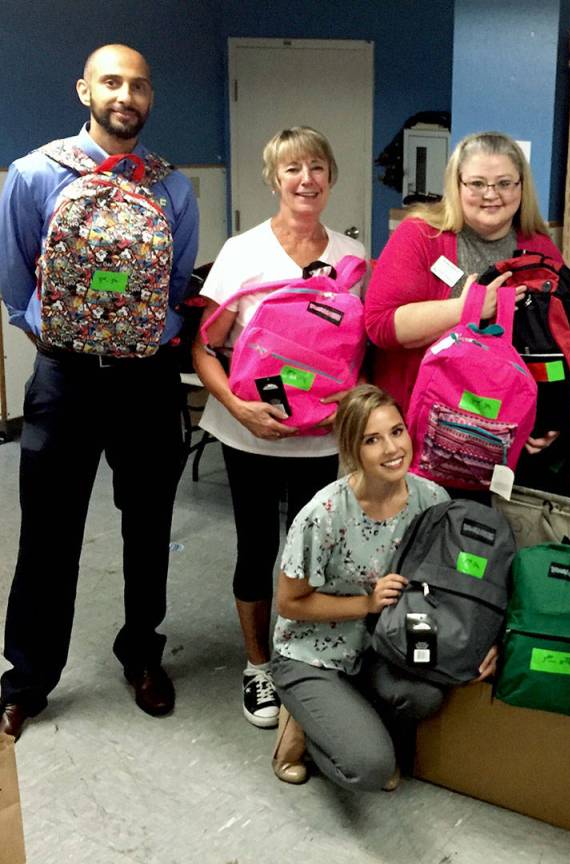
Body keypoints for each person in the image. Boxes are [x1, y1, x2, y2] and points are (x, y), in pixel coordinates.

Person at [0, 44, 199, 739]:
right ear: (83, 87)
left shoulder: (172, 187)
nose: (127, 95)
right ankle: (26, 678)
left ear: (149, 98)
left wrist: (138, 336)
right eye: (112, 81)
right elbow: (15, 284)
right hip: (65, 380)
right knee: (48, 534)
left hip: (146, 382)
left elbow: (177, 290)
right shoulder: (33, 175)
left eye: (139, 85)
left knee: (148, 529)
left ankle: (141, 654)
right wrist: (60, 342)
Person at [193, 126, 366, 729]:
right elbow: (204, 348)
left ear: (331, 178)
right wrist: (239, 410)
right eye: (292, 169)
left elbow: (356, 350)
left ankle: (306, 660)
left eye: (317, 167)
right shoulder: (243, 251)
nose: (306, 180)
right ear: (274, 179)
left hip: (322, 438)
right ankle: (259, 666)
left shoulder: (351, 257)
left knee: (316, 553)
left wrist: (351, 400)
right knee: (256, 548)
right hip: (249, 435)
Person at [268, 384, 497, 790]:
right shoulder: (322, 515)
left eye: (397, 431)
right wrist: (367, 604)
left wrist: (485, 640)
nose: (392, 448)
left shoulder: (432, 499)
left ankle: (346, 717)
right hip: (314, 651)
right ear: (352, 450)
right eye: (372, 440)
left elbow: (457, 586)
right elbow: (289, 604)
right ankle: (300, 726)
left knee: (425, 697)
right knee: (373, 771)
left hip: (382, 645)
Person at [364, 131, 563, 458]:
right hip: (419, 434)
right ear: (457, 185)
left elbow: (558, 345)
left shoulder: (540, 249)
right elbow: (381, 325)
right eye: (477, 183)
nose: (491, 194)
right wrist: (467, 309)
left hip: (503, 434)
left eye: (504, 183)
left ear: (521, 187)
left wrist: (545, 417)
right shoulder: (420, 236)